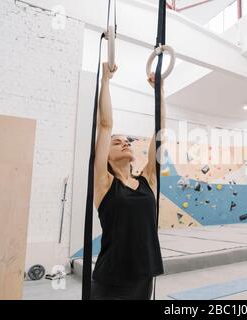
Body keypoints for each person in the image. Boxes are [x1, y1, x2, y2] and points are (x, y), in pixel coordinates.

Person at [91, 62, 164, 300]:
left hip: (145, 276)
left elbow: (160, 133)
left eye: (127, 142)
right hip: (112, 280)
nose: (125, 143)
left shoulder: (147, 180)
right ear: (106, 156)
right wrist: (106, 81)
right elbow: (105, 125)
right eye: (117, 142)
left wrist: (159, 92)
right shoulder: (104, 183)